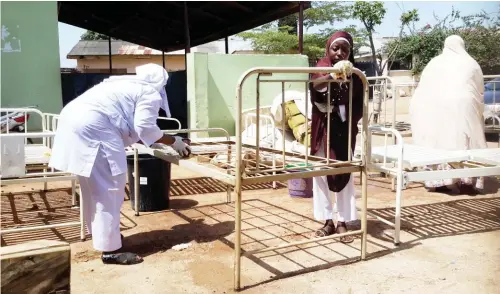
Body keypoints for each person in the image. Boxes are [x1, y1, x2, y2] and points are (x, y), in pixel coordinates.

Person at [49, 63, 191, 265]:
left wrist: (165, 140)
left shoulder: (122, 84)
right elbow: (145, 128)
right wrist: (174, 141)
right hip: (95, 129)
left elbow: (137, 131)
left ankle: (103, 237)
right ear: (161, 83)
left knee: (93, 188)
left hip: (74, 122)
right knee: (110, 188)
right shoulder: (149, 92)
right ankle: (111, 251)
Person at [409, 35, 487, 194]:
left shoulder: (434, 62)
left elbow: (422, 88)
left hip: (433, 108)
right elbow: (480, 89)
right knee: (464, 142)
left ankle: (438, 181)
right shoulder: (471, 63)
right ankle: (466, 180)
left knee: (437, 143)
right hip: (463, 106)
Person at [309, 31, 364, 243]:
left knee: (345, 173)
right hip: (323, 129)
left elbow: (359, 101)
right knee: (321, 174)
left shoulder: (355, 73)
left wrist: (350, 78)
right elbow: (316, 85)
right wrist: (332, 76)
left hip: (343, 129)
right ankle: (327, 221)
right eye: (336, 48)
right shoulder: (321, 66)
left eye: (345, 49)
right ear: (328, 49)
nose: (340, 53)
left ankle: (342, 220)